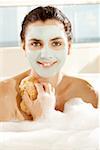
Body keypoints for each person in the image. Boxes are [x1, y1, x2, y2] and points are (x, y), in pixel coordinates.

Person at [0, 6, 98, 121]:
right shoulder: (4, 96)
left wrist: (43, 119)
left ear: (69, 47)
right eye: (36, 44)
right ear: (24, 47)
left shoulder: (85, 93)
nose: (45, 54)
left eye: (56, 43)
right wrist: (42, 121)